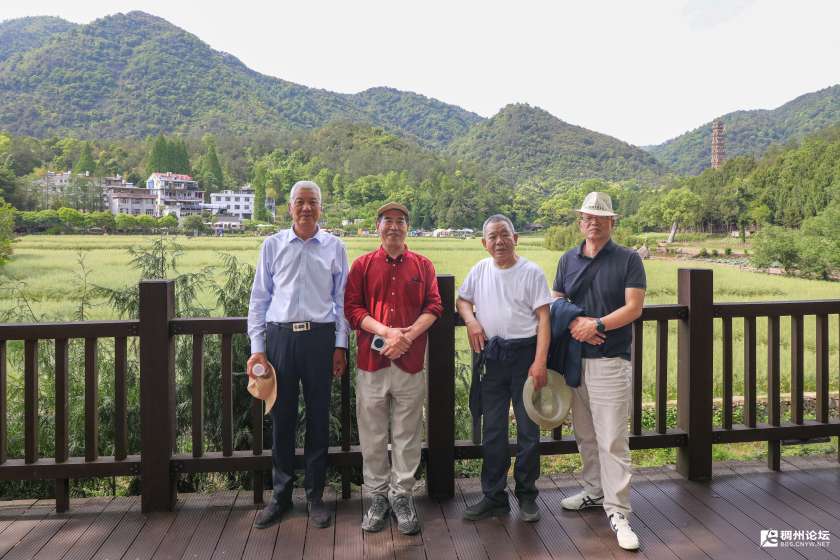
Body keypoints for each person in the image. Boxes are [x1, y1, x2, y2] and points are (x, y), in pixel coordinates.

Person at [246, 180, 349, 529]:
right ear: (290, 208)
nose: (306, 208)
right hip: (281, 339)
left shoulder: (335, 247)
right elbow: (259, 299)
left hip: (320, 339)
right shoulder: (272, 245)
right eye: (300, 202)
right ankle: (281, 496)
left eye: (312, 202)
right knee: (282, 419)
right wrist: (258, 350)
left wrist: (340, 344)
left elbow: (342, 301)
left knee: (319, 418)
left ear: (321, 208)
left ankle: (316, 496)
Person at [552, 191, 646, 551]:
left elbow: (634, 307)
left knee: (612, 439)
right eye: (588, 217)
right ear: (581, 222)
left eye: (600, 217)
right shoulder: (567, 259)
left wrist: (598, 325)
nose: (593, 222)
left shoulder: (628, 259)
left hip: (610, 359)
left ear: (612, 222)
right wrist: (576, 322)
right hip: (575, 360)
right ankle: (594, 491)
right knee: (586, 434)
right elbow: (556, 300)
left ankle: (619, 512)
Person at [344, 202, 443, 535]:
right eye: (388, 220)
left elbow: (434, 306)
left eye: (401, 221)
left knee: (407, 434)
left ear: (407, 228)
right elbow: (353, 309)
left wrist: (407, 337)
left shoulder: (423, 266)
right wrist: (387, 332)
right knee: (372, 434)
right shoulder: (362, 265)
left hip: (410, 363)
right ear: (378, 226)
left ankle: (402, 495)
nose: (394, 226)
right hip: (371, 363)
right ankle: (377, 497)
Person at [456, 214, 552, 522]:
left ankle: (527, 495)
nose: (499, 241)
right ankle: (494, 497)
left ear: (516, 238)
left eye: (504, 235)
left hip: (525, 358)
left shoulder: (531, 272)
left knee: (528, 431)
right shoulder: (480, 270)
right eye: (492, 237)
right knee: (493, 430)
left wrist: (540, 362)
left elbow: (545, 319)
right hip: (493, 360)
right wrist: (471, 320)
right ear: (484, 243)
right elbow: (462, 300)